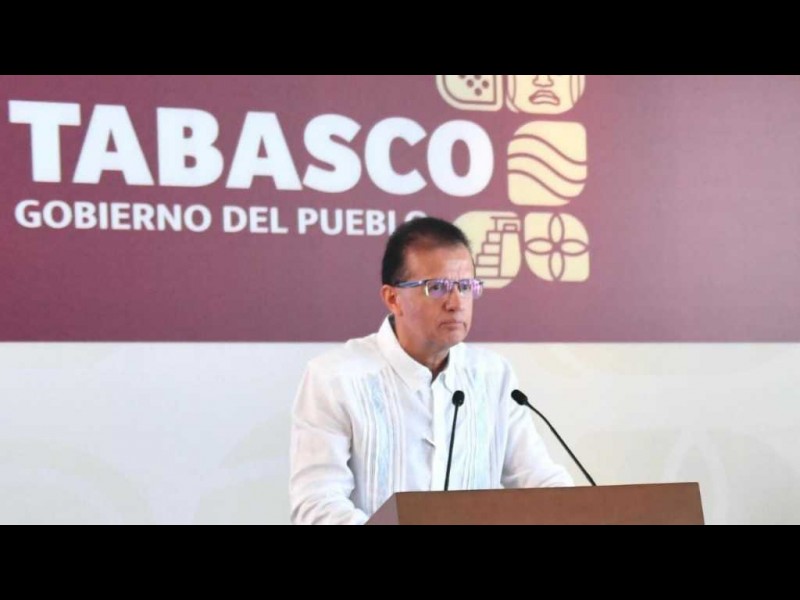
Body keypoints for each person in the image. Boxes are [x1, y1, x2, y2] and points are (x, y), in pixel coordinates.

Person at [290, 216, 573, 525]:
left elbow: (538, 478)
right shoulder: (334, 378)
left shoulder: (493, 375)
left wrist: (582, 510)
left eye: (465, 286)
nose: (456, 303)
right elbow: (317, 505)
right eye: (437, 288)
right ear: (393, 298)